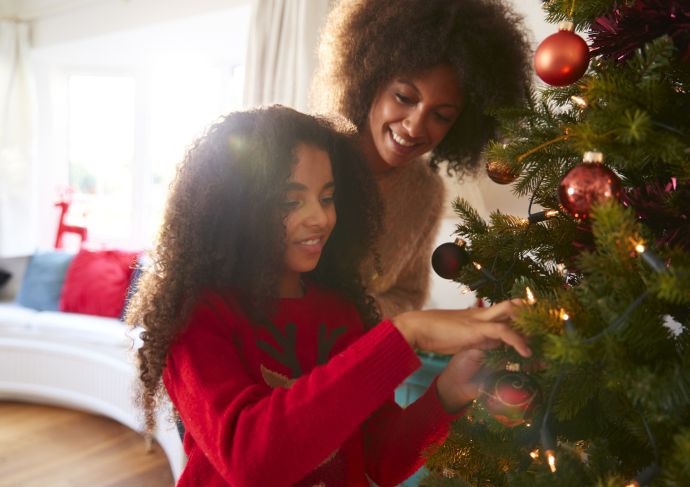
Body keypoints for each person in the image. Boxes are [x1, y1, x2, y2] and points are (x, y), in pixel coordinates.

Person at [126, 105, 530, 487]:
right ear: (234, 208)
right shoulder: (197, 315)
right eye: (290, 200)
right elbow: (251, 461)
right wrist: (403, 334)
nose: (320, 218)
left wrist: (448, 391)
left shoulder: (339, 311)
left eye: (327, 197)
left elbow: (383, 458)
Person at [311, 0, 532, 317]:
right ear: (370, 77)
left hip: (355, 357)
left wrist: (352, 317)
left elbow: (407, 295)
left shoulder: (426, 193)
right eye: (404, 97)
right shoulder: (309, 152)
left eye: (441, 116)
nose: (415, 126)